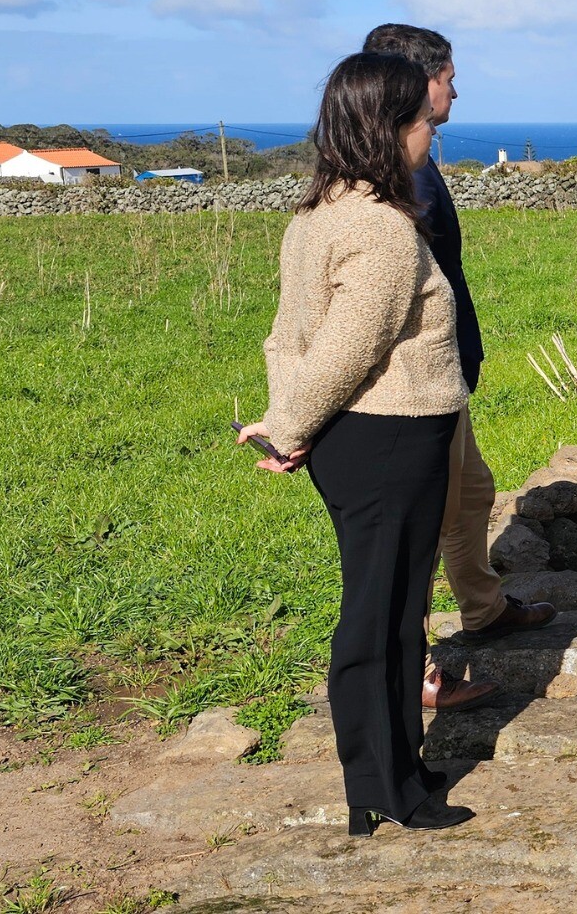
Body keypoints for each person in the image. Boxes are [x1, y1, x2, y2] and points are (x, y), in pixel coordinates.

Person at [237, 51, 475, 834]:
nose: (429, 136)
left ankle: (402, 765)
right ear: (389, 129)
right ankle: (380, 788)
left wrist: (288, 421)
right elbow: (349, 346)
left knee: (398, 609)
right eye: (420, 123)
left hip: (357, 439)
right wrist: (289, 429)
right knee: (378, 615)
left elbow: (286, 338)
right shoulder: (380, 227)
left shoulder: (315, 217)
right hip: (389, 438)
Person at [360, 24, 556, 714]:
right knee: (416, 522)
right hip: (412, 385)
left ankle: (482, 607)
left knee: (471, 492)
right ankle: (414, 669)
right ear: (416, 82)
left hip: (443, 373)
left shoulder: (415, 156)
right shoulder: (391, 170)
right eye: (448, 75)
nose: (455, 87)